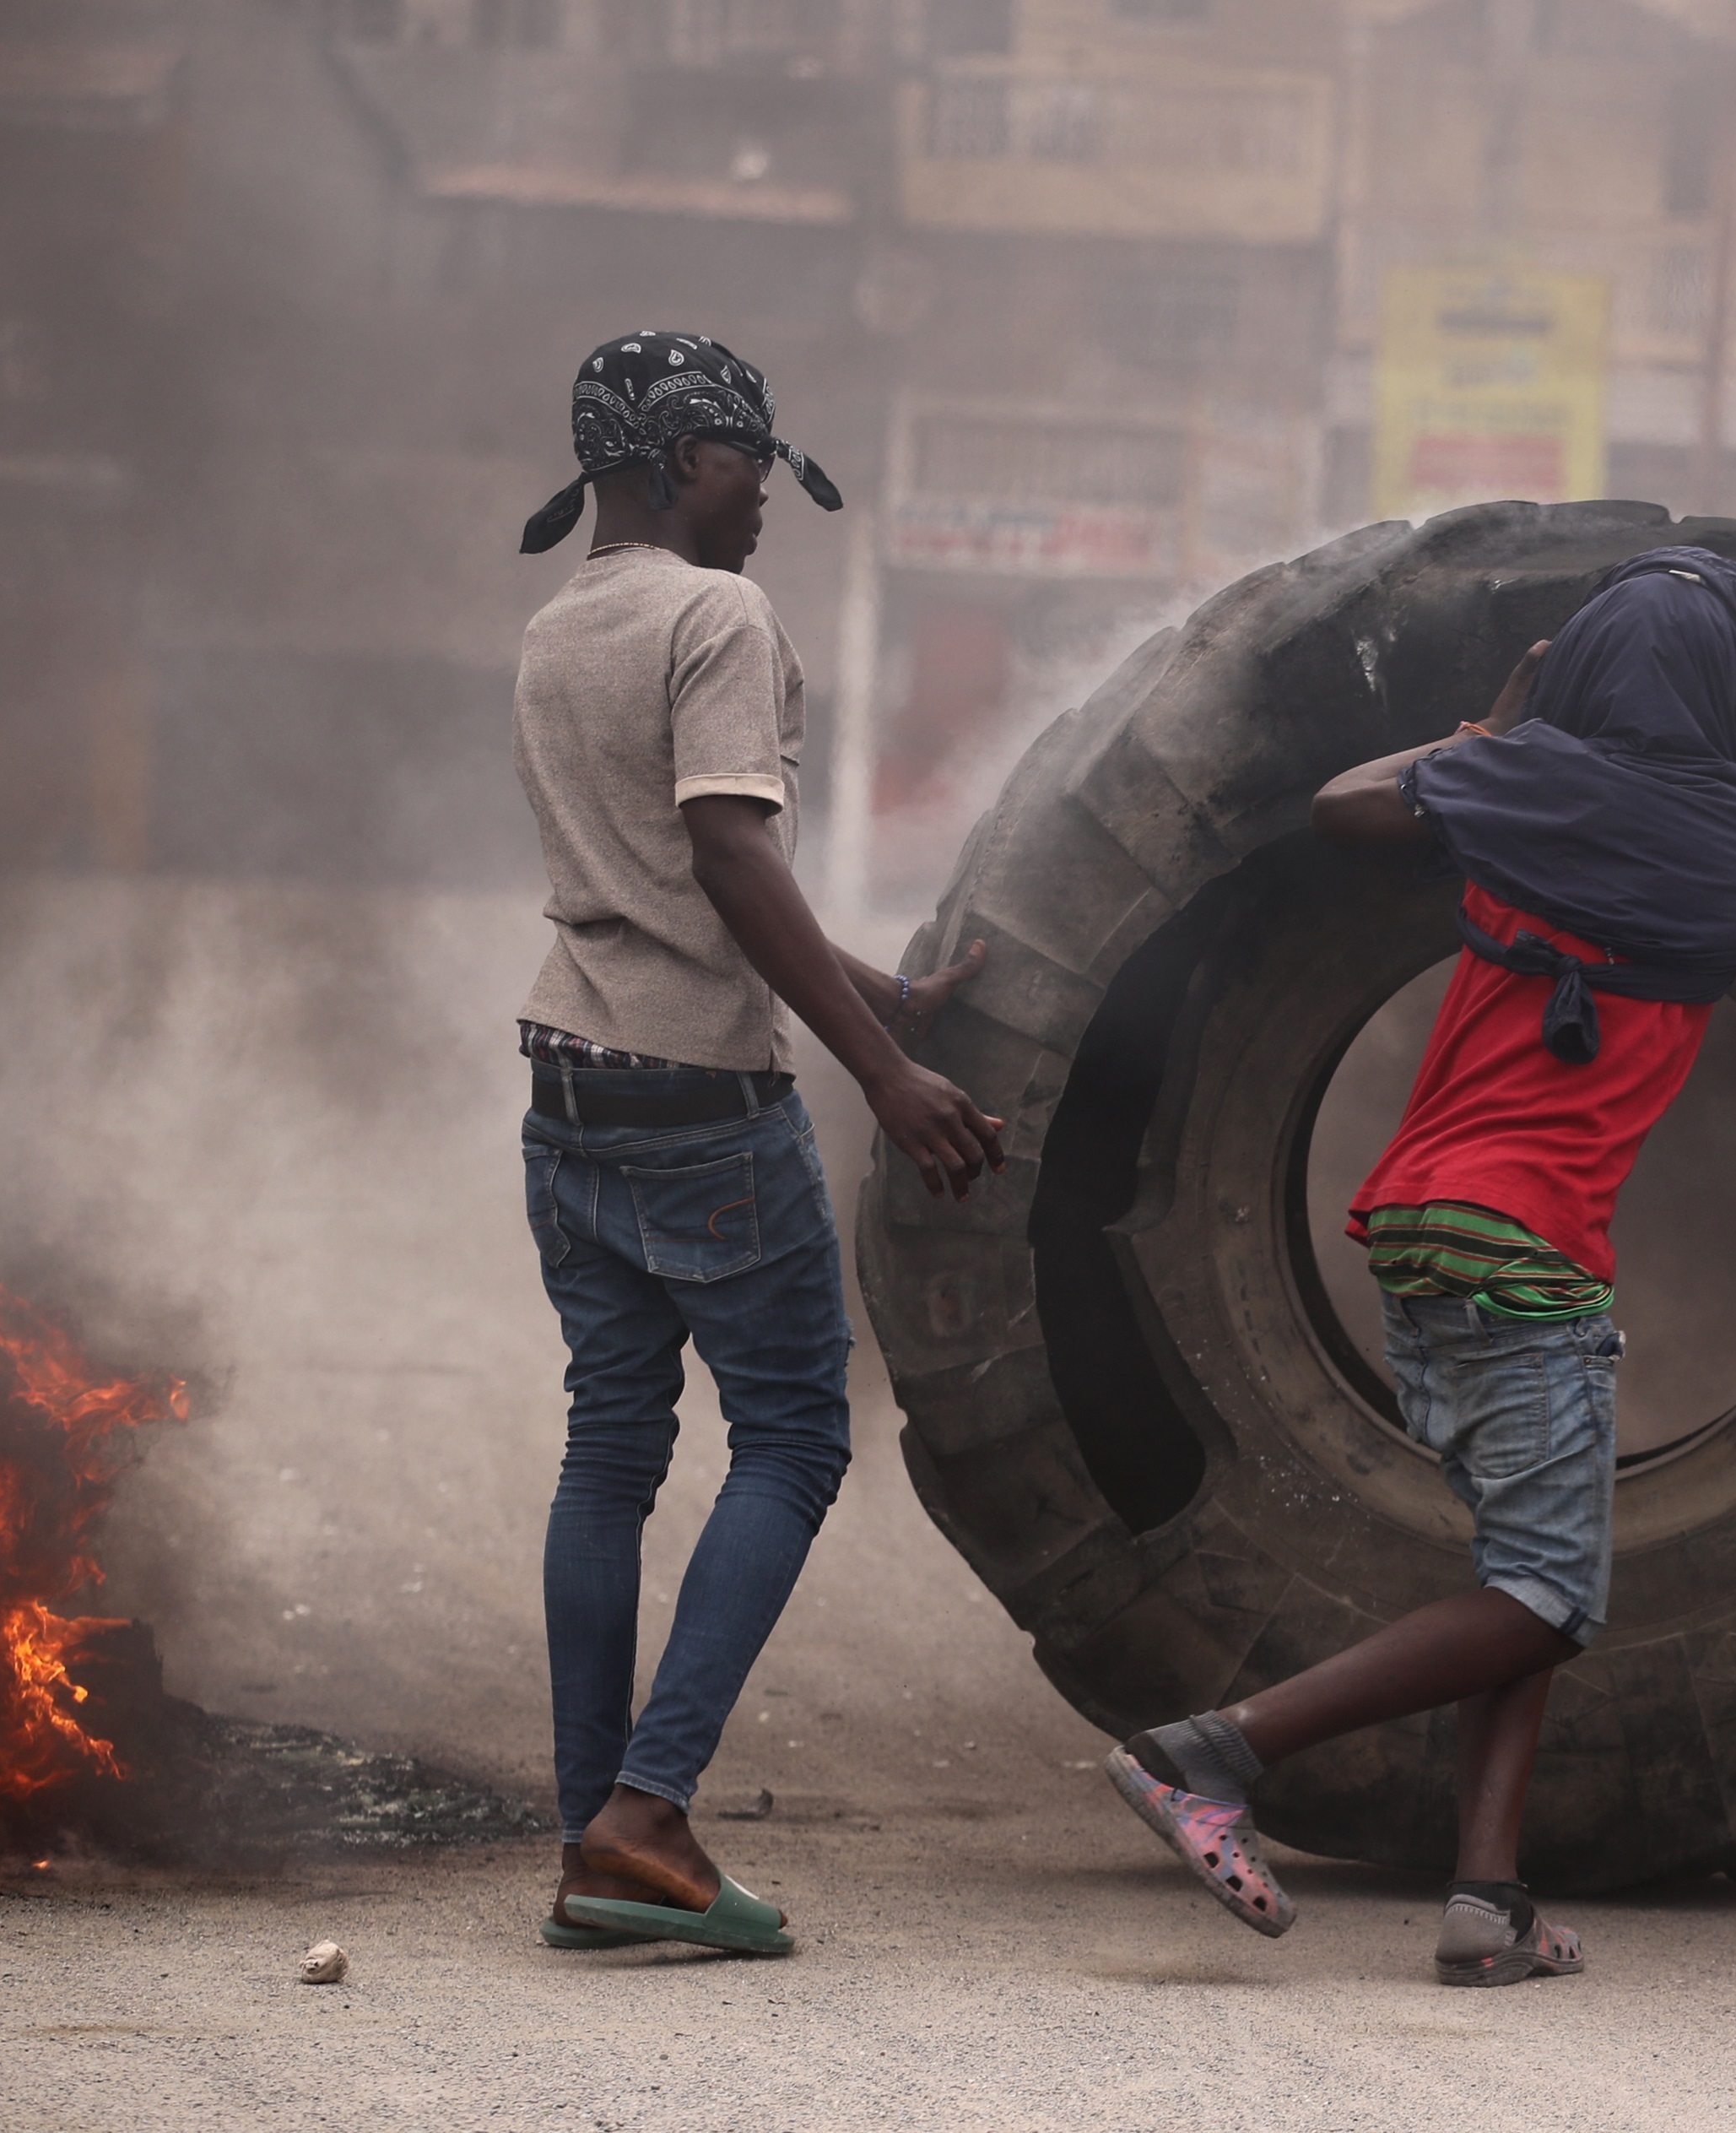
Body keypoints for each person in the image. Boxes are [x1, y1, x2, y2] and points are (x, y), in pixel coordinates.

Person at [1102, 546, 1736, 1986]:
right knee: (1545, 1598)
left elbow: (1343, 803)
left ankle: (1488, 1900)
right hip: (1526, 1250)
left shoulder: (1523, 785)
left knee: (1521, 1581)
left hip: (1420, 1230)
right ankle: (1213, 1756)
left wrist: (1489, 732)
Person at [509, 332, 1004, 1957]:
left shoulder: (558, 626)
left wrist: (886, 994)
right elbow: (727, 854)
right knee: (794, 1441)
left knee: (613, 1448)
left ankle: (598, 1834)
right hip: (697, 1107)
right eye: (747, 466)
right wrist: (884, 1070)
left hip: (569, 1082)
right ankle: (649, 1817)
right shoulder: (712, 615)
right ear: (665, 461)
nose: (766, 503)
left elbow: (667, 882)